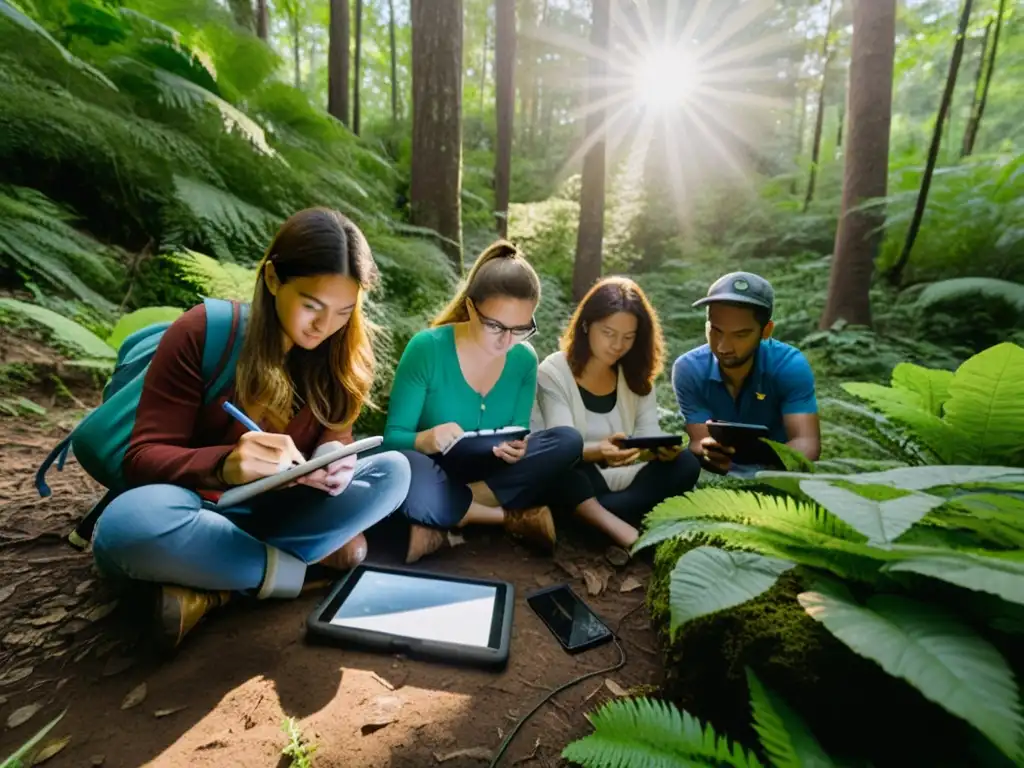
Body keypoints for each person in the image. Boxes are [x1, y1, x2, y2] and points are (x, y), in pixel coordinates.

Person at [91, 208, 412, 650]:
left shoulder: (345, 355)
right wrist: (224, 465)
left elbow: (337, 434)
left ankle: (216, 584)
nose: (325, 326)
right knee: (126, 529)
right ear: (274, 279)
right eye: (311, 305)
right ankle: (298, 573)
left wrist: (332, 459)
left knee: (395, 471)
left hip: (278, 511)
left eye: (344, 311)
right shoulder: (203, 333)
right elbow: (142, 457)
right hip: (195, 507)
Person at [382, 241, 583, 563]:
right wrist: (424, 438)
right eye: (495, 326)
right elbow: (391, 440)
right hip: (433, 469)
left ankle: (448, 516)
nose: (507, 341)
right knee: (404, 467)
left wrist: (518, 449)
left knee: (567, 441)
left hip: (492, 473)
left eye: (520, 329)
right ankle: (504, 518)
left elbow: (518, 432)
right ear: (471, 307)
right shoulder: (427, 349)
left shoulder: (523, 359)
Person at [532, 277, 701, 549]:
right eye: (608, 333)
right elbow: (558, 444)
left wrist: (658, 450)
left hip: (623, 478)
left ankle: (593, 520)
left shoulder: (635, 376)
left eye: (628, 337)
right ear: (586, 325)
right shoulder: (554, 372)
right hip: (576, 475)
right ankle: (621, 523)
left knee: (687, 463)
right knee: (563, 471)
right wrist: (599, 451)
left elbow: (647, 435)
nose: (617, 345)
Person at [671, 271, 820, 476]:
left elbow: (807, 442)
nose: (723, 347)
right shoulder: (689, 369)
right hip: (718, 475)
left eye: (740, 335)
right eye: (716, 331)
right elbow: (698, 440)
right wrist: (710, 453)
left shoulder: (789, 365)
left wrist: (767, 474)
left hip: (778, 471)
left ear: (766, 331)